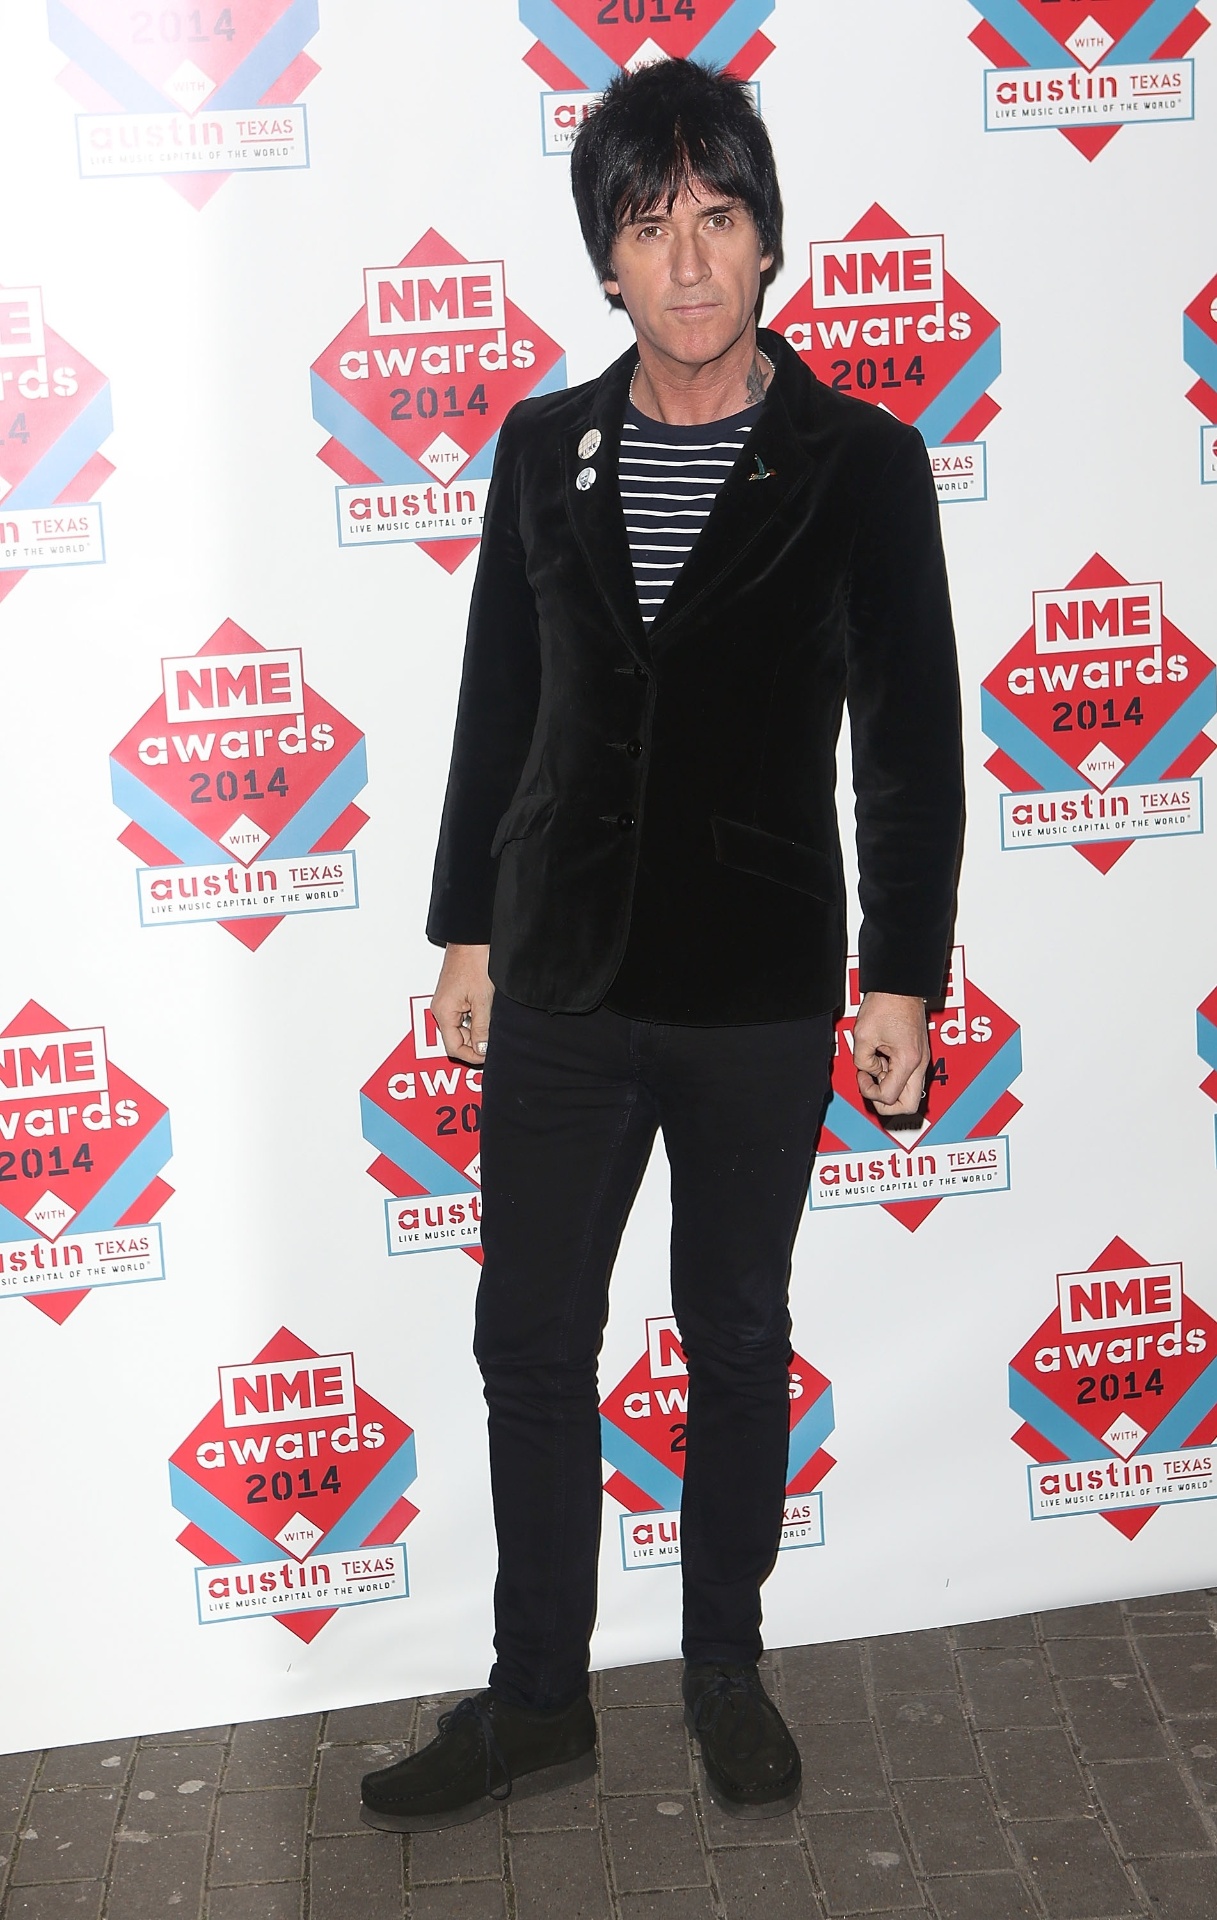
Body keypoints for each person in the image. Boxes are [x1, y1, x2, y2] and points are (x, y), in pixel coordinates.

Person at [361, 56, 963, 1833]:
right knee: (530, 1339)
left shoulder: (861, 464)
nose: (686, 260)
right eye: (647, 225)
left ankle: (721, 1669)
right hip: (558, 972)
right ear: (604, 260)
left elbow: (910, 742)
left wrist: (902, 975)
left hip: (752, 984)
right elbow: (501, 701)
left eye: (716, 216)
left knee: (735, 1332)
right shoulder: (541, 447)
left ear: (767, 239)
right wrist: (466, 929)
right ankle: (537, 1699)